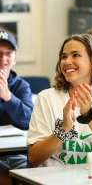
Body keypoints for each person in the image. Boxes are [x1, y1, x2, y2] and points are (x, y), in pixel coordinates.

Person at [27, 34, 92, 167]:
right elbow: (33, 158)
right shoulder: (46, 98)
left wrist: (90, 117)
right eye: (64, 56)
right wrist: (64, 130)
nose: (67, 61)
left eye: (75, 55)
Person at [0, 30, 33, 184]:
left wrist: (8, 97)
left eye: (8, 53)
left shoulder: (22, 86)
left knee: (33, 171)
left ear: (14, 58)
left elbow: (29, 122)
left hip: (17, 154)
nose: (3, 59)